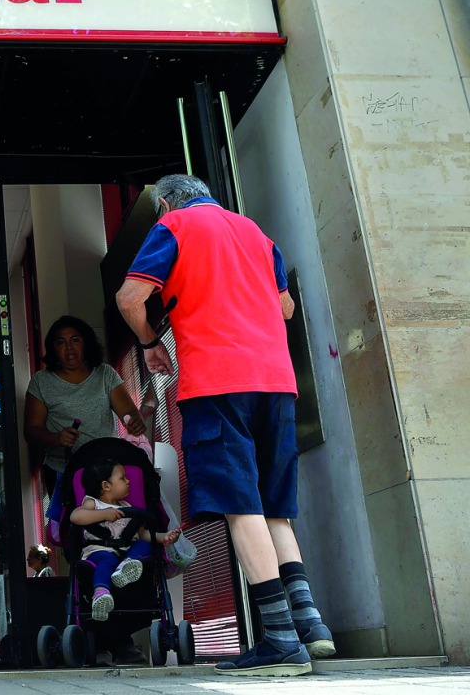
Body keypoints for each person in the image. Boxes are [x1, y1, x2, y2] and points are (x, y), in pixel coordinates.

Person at [116, 174, 335, 677]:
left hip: (217, 383)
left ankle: (280, 640)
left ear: (165, 204)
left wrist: (150, 343)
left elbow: (130, 298)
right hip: (276, 383)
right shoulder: (256, 233)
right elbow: (285, 308)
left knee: (241, 506)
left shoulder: (173, 226)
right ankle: (309, 623)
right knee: (275, 508)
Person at [24, 315, 147, 497]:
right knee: (72, 516)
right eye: (61, 342)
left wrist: (135, 421)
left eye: (75, 340)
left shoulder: (105, 374)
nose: (69, 347)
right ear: (53, 348)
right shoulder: (41, 381)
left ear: (86, 343)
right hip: (62, 471)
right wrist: (57, 438)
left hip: (106, 471)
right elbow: (31, 431)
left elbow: (129, 413)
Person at [70, 458, 180, 623]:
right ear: (106, 486)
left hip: (127, 552)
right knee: (106, 561)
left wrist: (164, 536)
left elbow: (143, 534)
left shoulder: (126, 506)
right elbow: (75, 516)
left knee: (144, 544)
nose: (128, 481)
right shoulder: (93, 503)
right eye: (122, 478)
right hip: (100, 550)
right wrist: (104, 514)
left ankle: (126, 566)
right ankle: (101, 594)